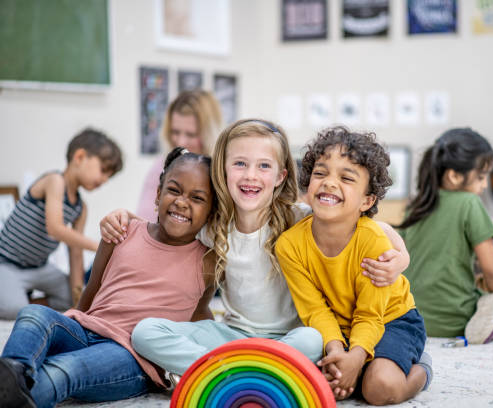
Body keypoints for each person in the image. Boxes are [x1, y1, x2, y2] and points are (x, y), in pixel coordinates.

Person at [99, 119, 410, 382]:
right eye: (240, 164)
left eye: (263, 166)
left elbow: (375, 229)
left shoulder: (298, 217)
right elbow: (170, 225)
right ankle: (238, 370)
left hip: (289, 338)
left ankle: (224, 370)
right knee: (145, 332)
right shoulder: (211, 227)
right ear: (222, 171)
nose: (250, 175)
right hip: (232, 335)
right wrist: (127, 219)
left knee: (314, 339)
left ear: (280, 176)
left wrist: (401, 258)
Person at [0, 148, 216, 408]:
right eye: (174, 190)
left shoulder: (208, 261)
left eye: (197, 198)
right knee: (34, 313)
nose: (182, 201)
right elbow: (92, 289)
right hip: (86, 330)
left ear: (211, 212)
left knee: (64, 368)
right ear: (158, 195)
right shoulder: (121, 231)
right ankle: (13, 371)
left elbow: (201, 317)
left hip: (132, 357)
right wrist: (68, 326)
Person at [275, 126, 432, 405]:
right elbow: (314, 311)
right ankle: (362, 365)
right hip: (338, 325)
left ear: (367, 201)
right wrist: (337, 351)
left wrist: (357, 358)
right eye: (320, 173)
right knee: (316, 386)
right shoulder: (289, 245)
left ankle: (421, 370)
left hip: (392, 320)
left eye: (346, 178)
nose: (329, 183)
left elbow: (370, 316)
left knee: (379, 388)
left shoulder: (373, 240)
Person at [396, 128, 493, 344]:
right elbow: (492, 269)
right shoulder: (469, 203)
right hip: (456, 320)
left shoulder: (415, 206)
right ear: (454, 176)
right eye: (480, 177)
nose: (484, 185)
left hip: (410, 316)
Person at [0, 128, 123, 320]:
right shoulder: (54, 181)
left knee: (71, 298)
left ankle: (27, 301)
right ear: (80, 157)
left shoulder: (80, 207)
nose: (105, 179)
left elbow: (75, 253)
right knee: (13, 310)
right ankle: (19, 300)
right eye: (103, 170)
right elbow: (55, 228)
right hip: (6, 263)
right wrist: (98, 245)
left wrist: (77, 301)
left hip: (39, 267)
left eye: (109, 176)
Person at [137, 90, 223, 221]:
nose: (181, 142)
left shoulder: (225, 173)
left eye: (191, 134)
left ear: (209, 134)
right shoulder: (161, 168)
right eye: (175, 132)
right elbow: (144, 220)